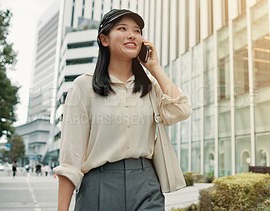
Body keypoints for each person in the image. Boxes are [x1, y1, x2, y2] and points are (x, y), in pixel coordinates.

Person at [53, 9, 191, 211]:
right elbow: (70, 157)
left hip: (146, 183)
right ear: (104, 39)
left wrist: (155, 68)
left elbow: (181, 110)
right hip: (99, 185)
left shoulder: (150, 85)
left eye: (137, 30)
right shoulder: (83, 86)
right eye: (122, 28)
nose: (132, 35)